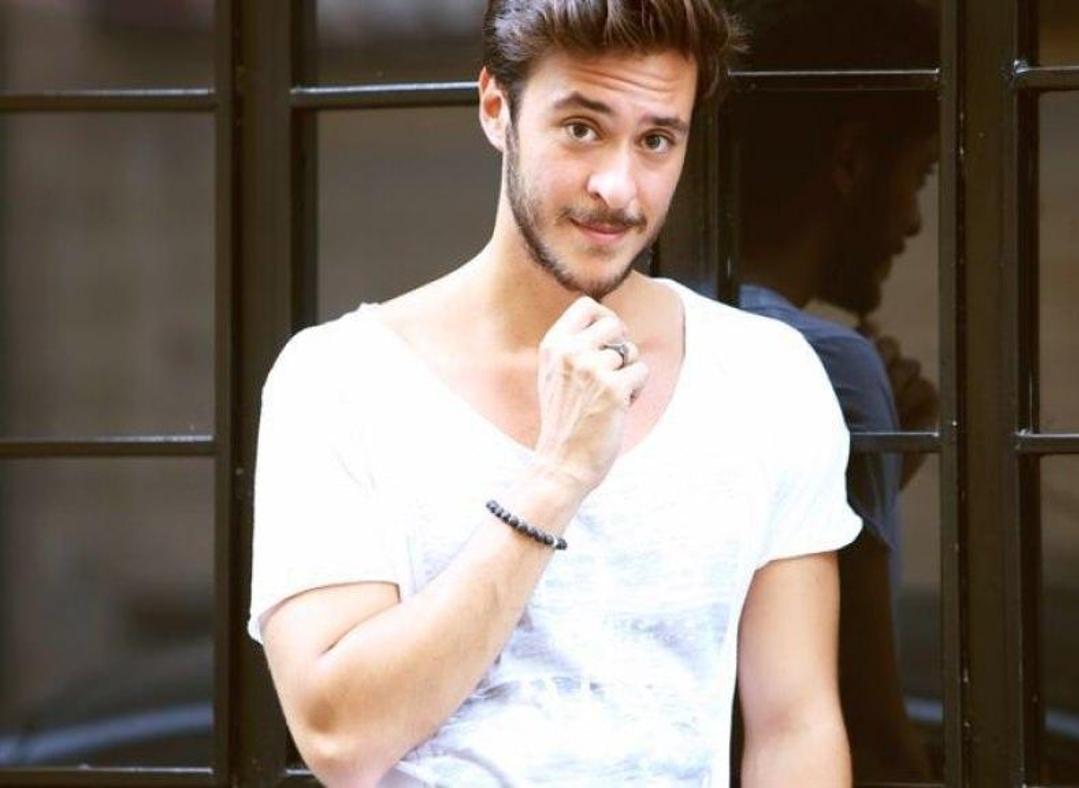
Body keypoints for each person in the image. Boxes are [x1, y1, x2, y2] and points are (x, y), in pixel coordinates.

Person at [247, 2, 865, 785]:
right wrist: (558, 474)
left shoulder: (766, 377)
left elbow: (794, 730)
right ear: (495, 107)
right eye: (581, 128)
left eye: (656, 140)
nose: (618, 186)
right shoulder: (339, 380)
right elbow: (339, 737)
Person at [731, 0, 940, 779]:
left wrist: (879, 467)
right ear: (850, 162)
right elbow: (868, 730)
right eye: (919, 176)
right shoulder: (828, 365)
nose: (915, 222)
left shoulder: (670, 320)